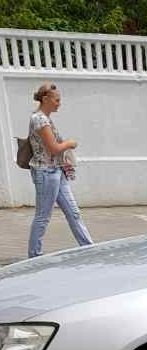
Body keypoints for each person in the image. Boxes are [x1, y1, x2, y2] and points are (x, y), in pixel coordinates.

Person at [27, 82, 93, 258]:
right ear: (45, 99)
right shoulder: (40, 119)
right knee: (43, 217)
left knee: (74, 212)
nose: (59, 103)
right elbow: (54, 148)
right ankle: (34, 256)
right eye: (56, 100)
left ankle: (88, 248)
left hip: (56, 171)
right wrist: (70, 144)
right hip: (46, 173)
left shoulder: (45, 119)